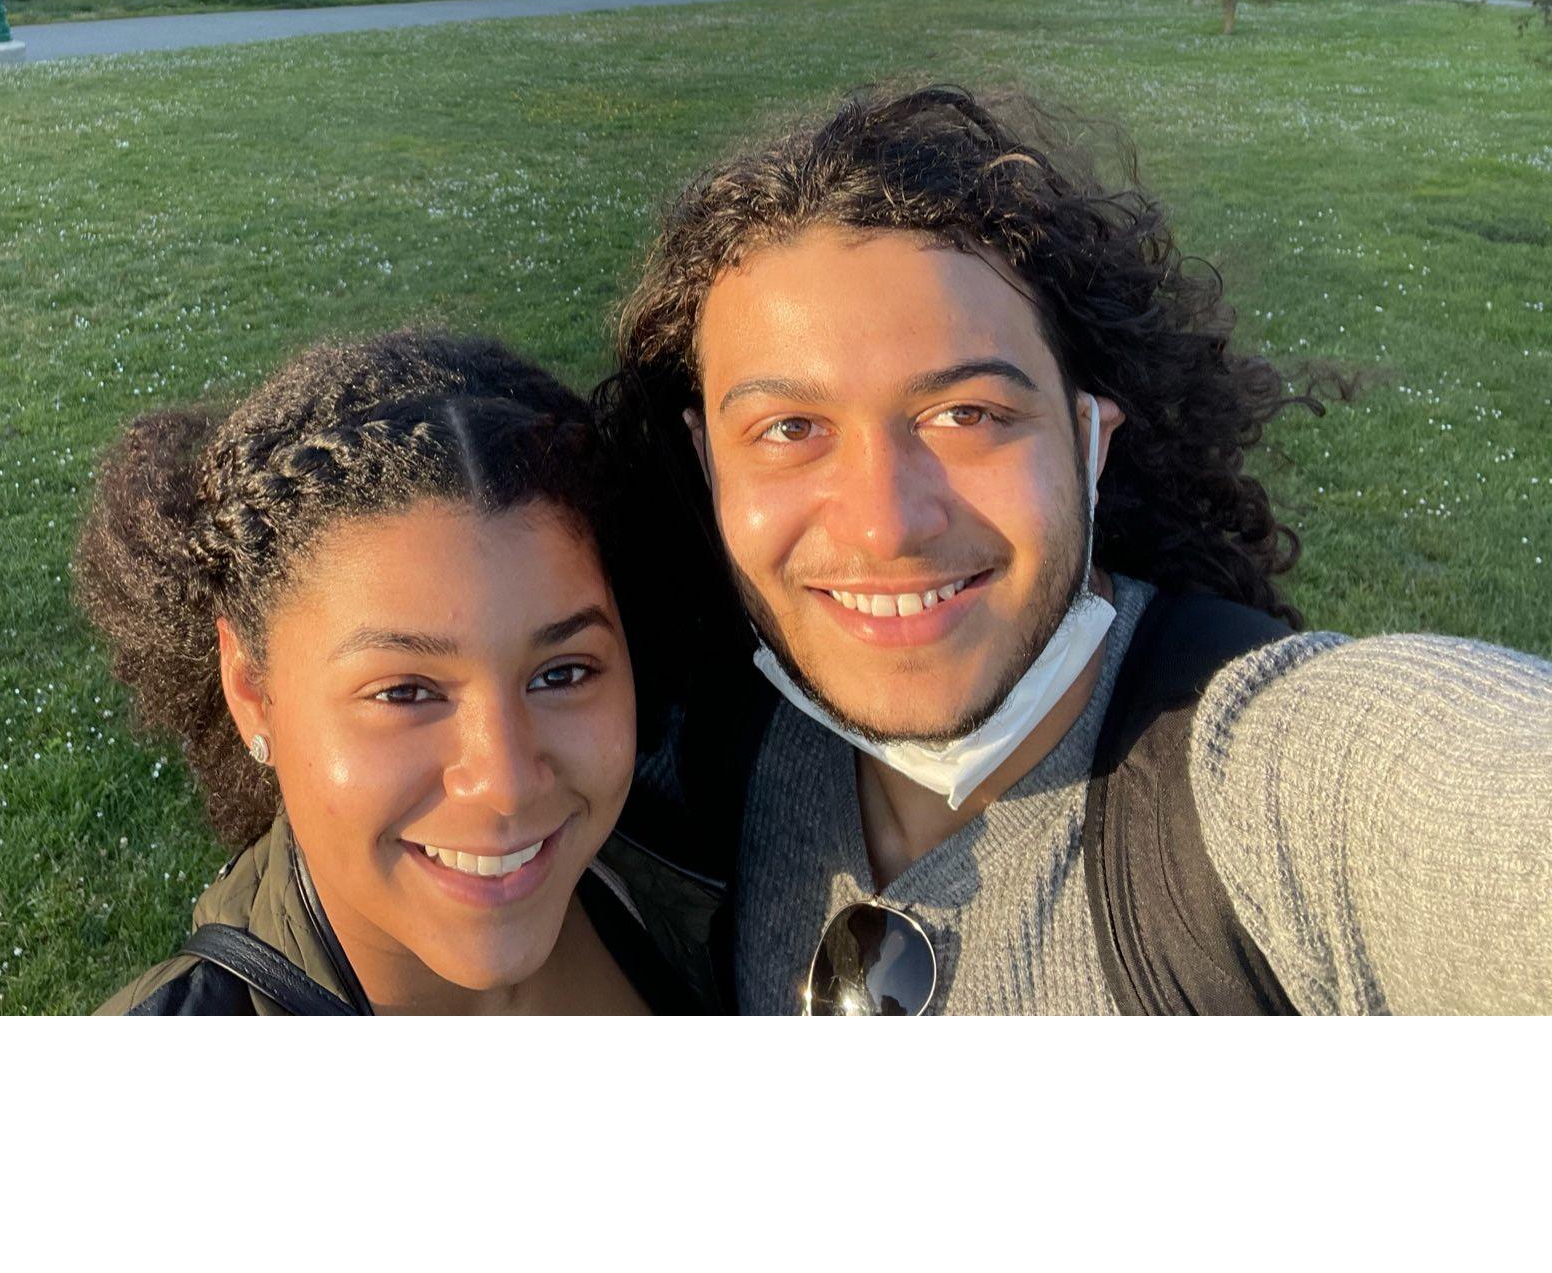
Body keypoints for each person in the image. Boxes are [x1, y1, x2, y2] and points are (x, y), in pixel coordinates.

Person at [599, 84, 1552, 1014]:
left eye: (966, 413)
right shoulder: (706, 738)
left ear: (1089, 438)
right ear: (705, 457)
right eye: (789, 427)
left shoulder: (1281, 789)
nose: (884, 525)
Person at [79, 328, 717, 1015]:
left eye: (560, 673)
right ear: (252, 690)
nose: (503, 783)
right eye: (405, 691)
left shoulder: (715, 850)